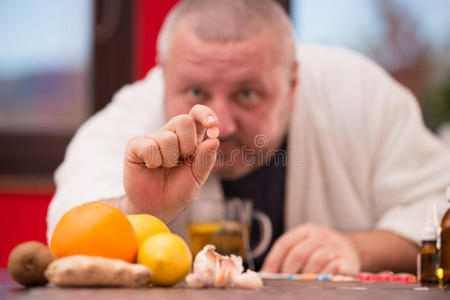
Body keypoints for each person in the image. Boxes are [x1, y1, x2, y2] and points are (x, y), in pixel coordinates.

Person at [47, 0, 450, 274]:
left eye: (247, 94)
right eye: (195, 93)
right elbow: (67, 237)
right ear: (163, 76)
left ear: (293, 83)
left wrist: (358, 249)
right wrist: (136, 206)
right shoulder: (125, 121)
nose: (220, 123)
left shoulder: (361, 95)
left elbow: (440, 210)